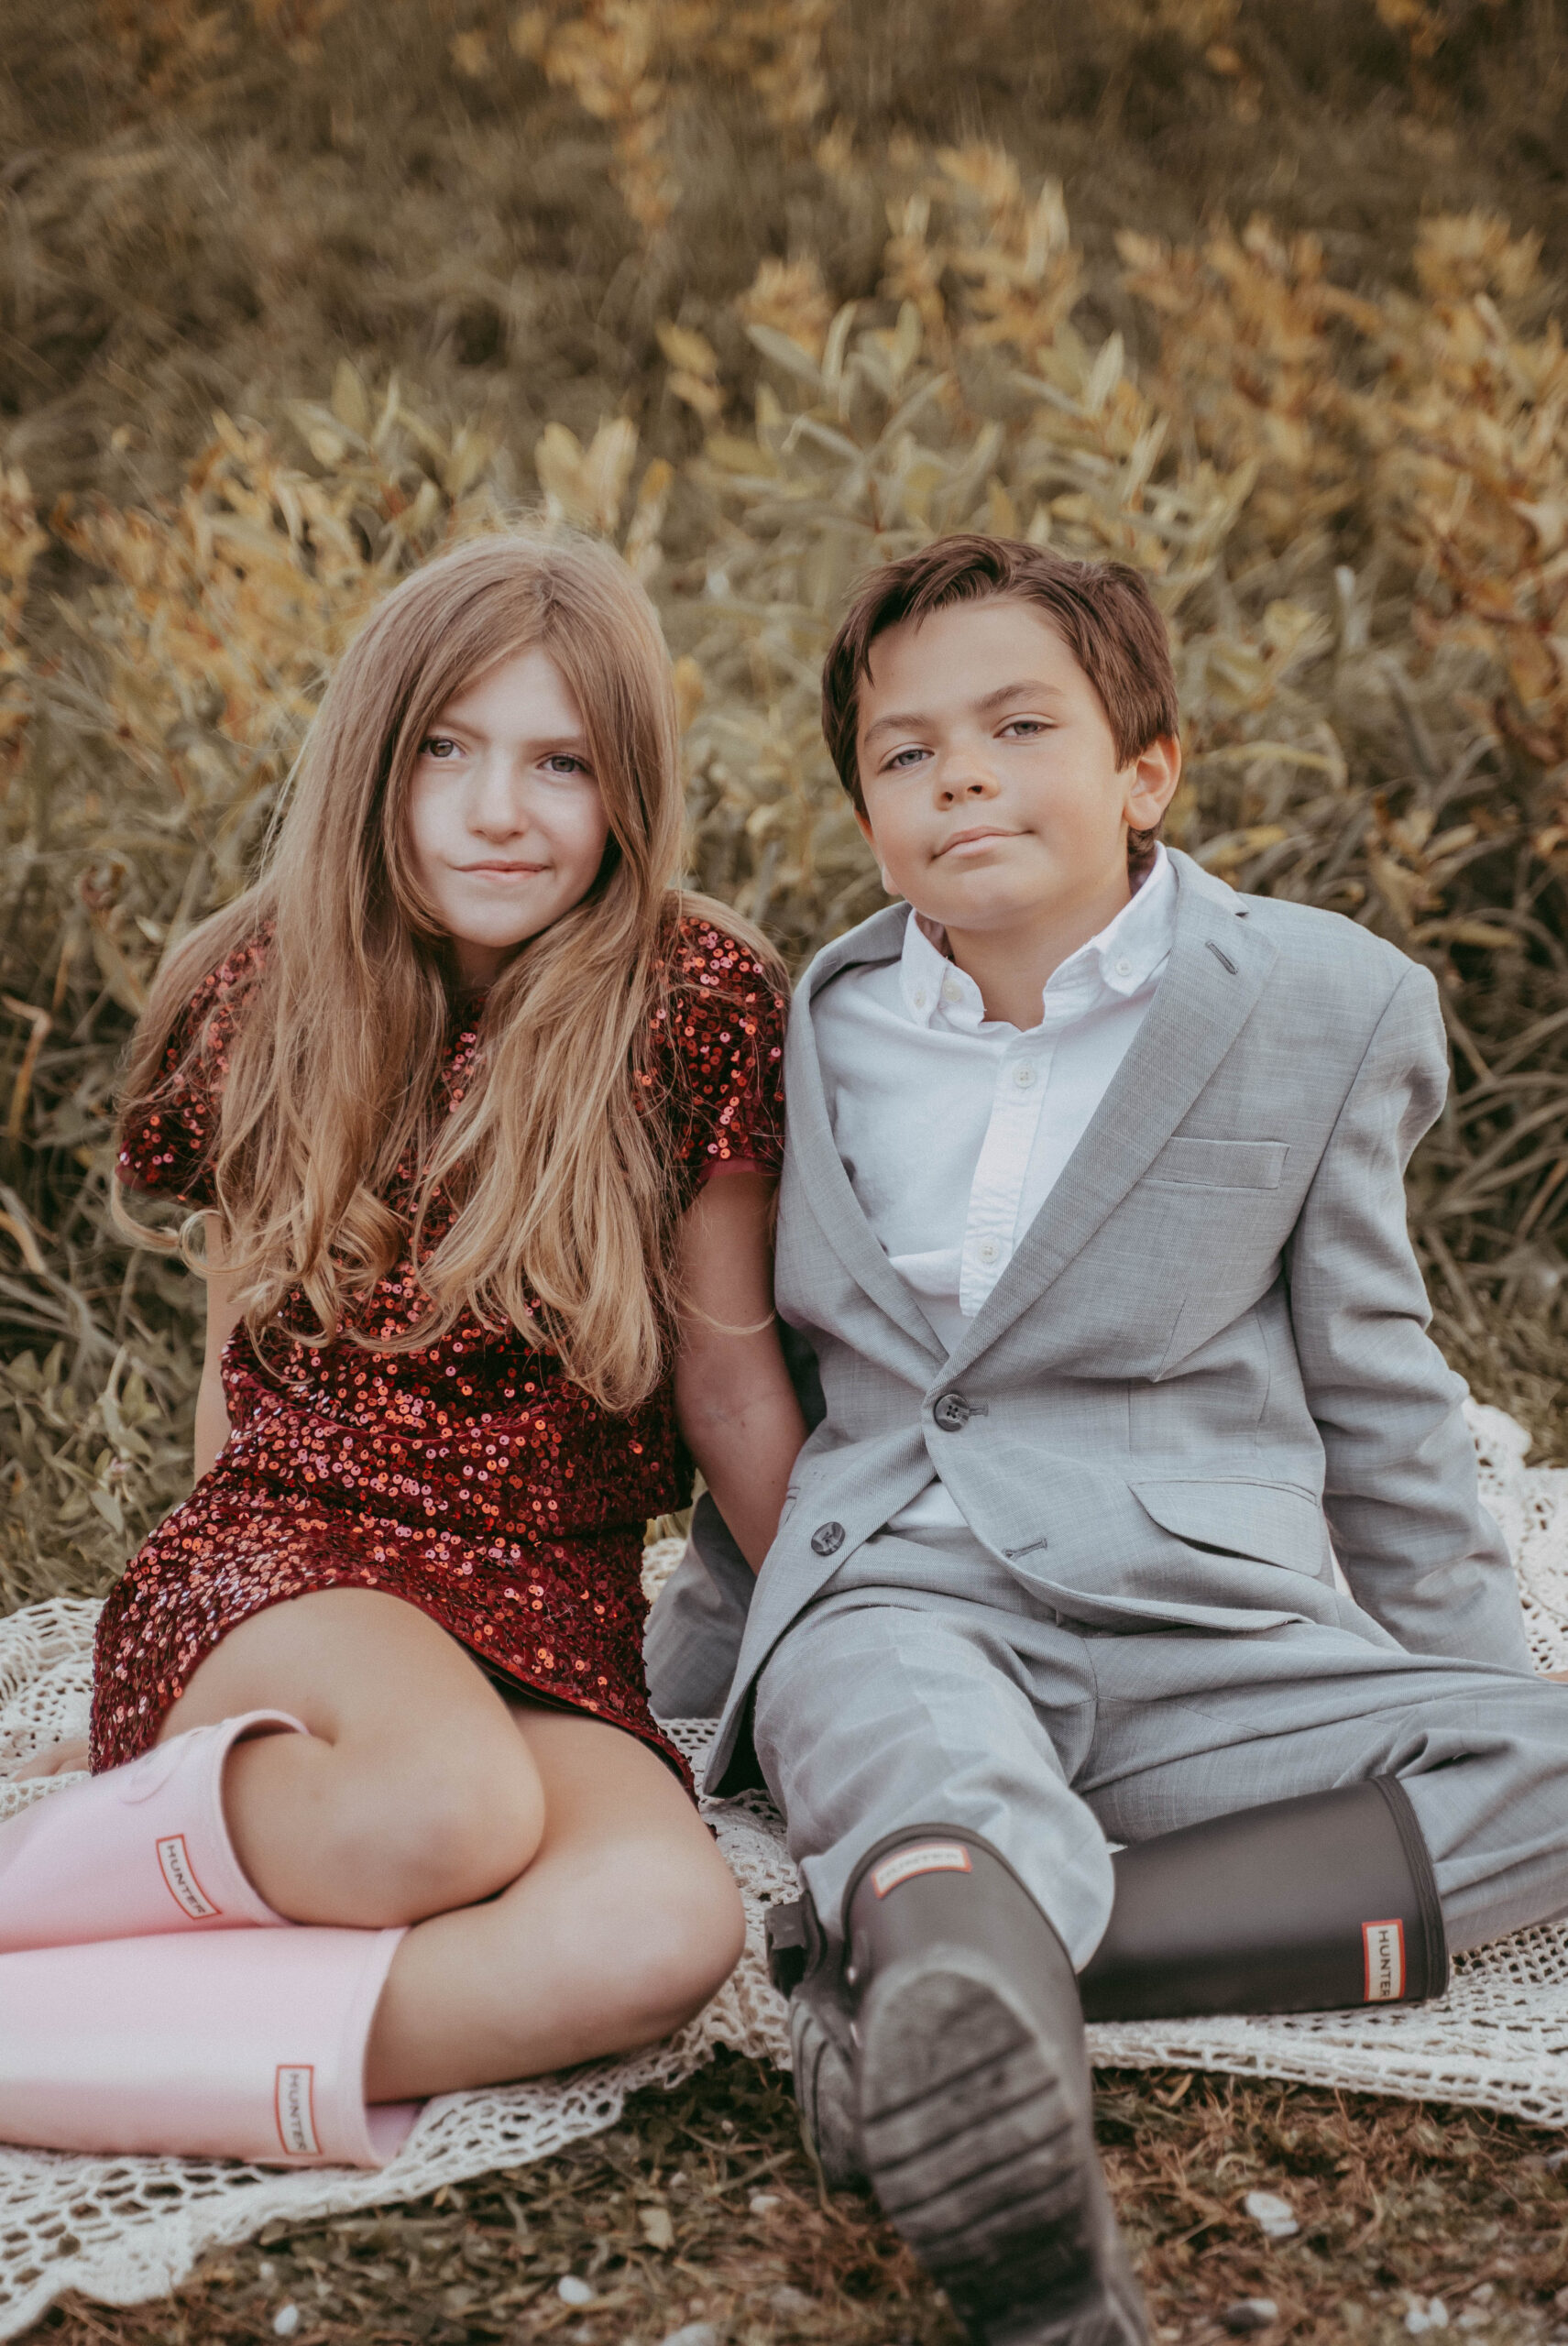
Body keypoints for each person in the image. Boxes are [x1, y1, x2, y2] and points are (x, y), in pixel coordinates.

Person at [645, 534, 1568, 2346]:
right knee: (911, 1752)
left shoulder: (1321, 999)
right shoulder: (809, 1024)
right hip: (901, 1588)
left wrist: (1455, 1693)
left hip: (1199, 1623)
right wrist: (712, 1655)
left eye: (1018, 727)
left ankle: (928, 1990)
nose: (961, 776)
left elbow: (1376, 1384)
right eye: (906, 752)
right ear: (868, 816)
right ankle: (997, 2109)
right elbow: (762, 1366)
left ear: (1146, 771)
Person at [0, 531, 805, 2170]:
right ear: (377, 758)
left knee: (659, 1932)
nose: (498, 808)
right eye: (448, 748)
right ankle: (89, 1869)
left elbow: (728, 1388)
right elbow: (234, 1378)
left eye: (561, 762)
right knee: (446, 1812)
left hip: (547, 1609)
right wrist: (186, 1666)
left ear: (631, 788)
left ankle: (108, 2038)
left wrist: (853, 1646)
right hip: (289, 1563)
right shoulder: (274, 981)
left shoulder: (695, 998)